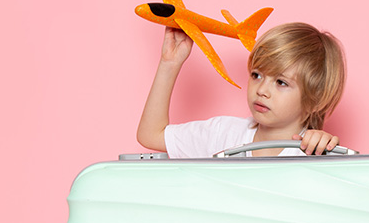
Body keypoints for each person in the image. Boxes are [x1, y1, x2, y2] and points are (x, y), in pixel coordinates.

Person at [137, 22, 346, 158]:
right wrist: (169, 63)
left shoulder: (319, 153)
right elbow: (151, 135)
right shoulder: (223, 134)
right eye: (256, 75)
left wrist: (326, 153)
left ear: (316, 100)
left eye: (281, 82)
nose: (262, 90)